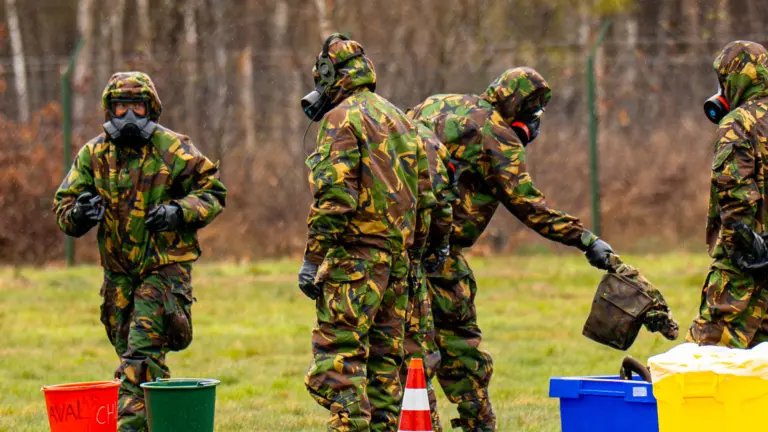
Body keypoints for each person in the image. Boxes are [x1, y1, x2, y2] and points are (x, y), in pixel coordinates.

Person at [408, 67, 616, 431]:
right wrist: (585, 240)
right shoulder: (498, 136)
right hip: (438, 255)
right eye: (533, 117)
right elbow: (528, 205)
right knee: (458, 346)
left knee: (409, 346)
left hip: (399, 244)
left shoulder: (438, 103)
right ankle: (477, 424)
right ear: (520, 111)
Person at [52, 71, 227, 431]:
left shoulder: (173, 148)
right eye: (121, 107)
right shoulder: (94, 153)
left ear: (152, 109)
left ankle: (129, 427)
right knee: (136, 359)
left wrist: (178, 212)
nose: (129, 116)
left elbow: (213, 192)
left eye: (137, 107)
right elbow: (64, 207)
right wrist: (81, 213)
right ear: (109, 110)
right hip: (118, 274)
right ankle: (165, 422)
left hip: (163, 271)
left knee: (140, 359)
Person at [297, 34, 435, 431]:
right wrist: (414, 255)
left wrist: (313, 258)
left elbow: (334, 197)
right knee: (383, 367)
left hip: (356, 262)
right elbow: (427, 197)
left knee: (339, 359)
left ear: (329, 74)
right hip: (397, 263)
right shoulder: (400, 119)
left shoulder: (341, 119)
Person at [687, 40, 768, 349]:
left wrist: (737, 251)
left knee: (706, 349)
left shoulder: (737, 124)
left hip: (747, 261)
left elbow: (737, 195)